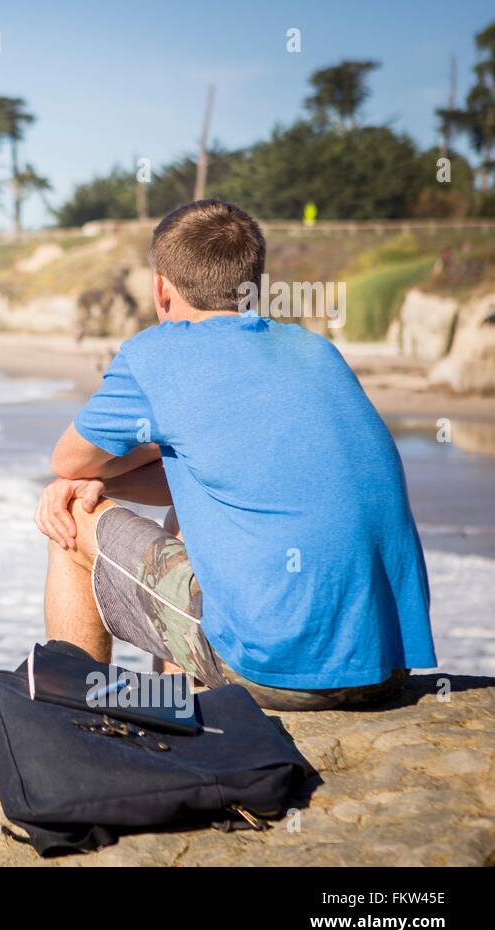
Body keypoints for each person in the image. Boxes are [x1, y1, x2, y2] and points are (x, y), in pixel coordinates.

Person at [35, 199, 434, 710]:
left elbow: (69, 462)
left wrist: (94, 484)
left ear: (161, 287)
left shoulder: (159, 352)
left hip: (273, 671)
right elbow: (224, 470)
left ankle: (71, 714)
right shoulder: (315, 351)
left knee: (70, 512)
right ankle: (173, 704)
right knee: (195, 498)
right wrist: (141, 466)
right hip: (384, 669)